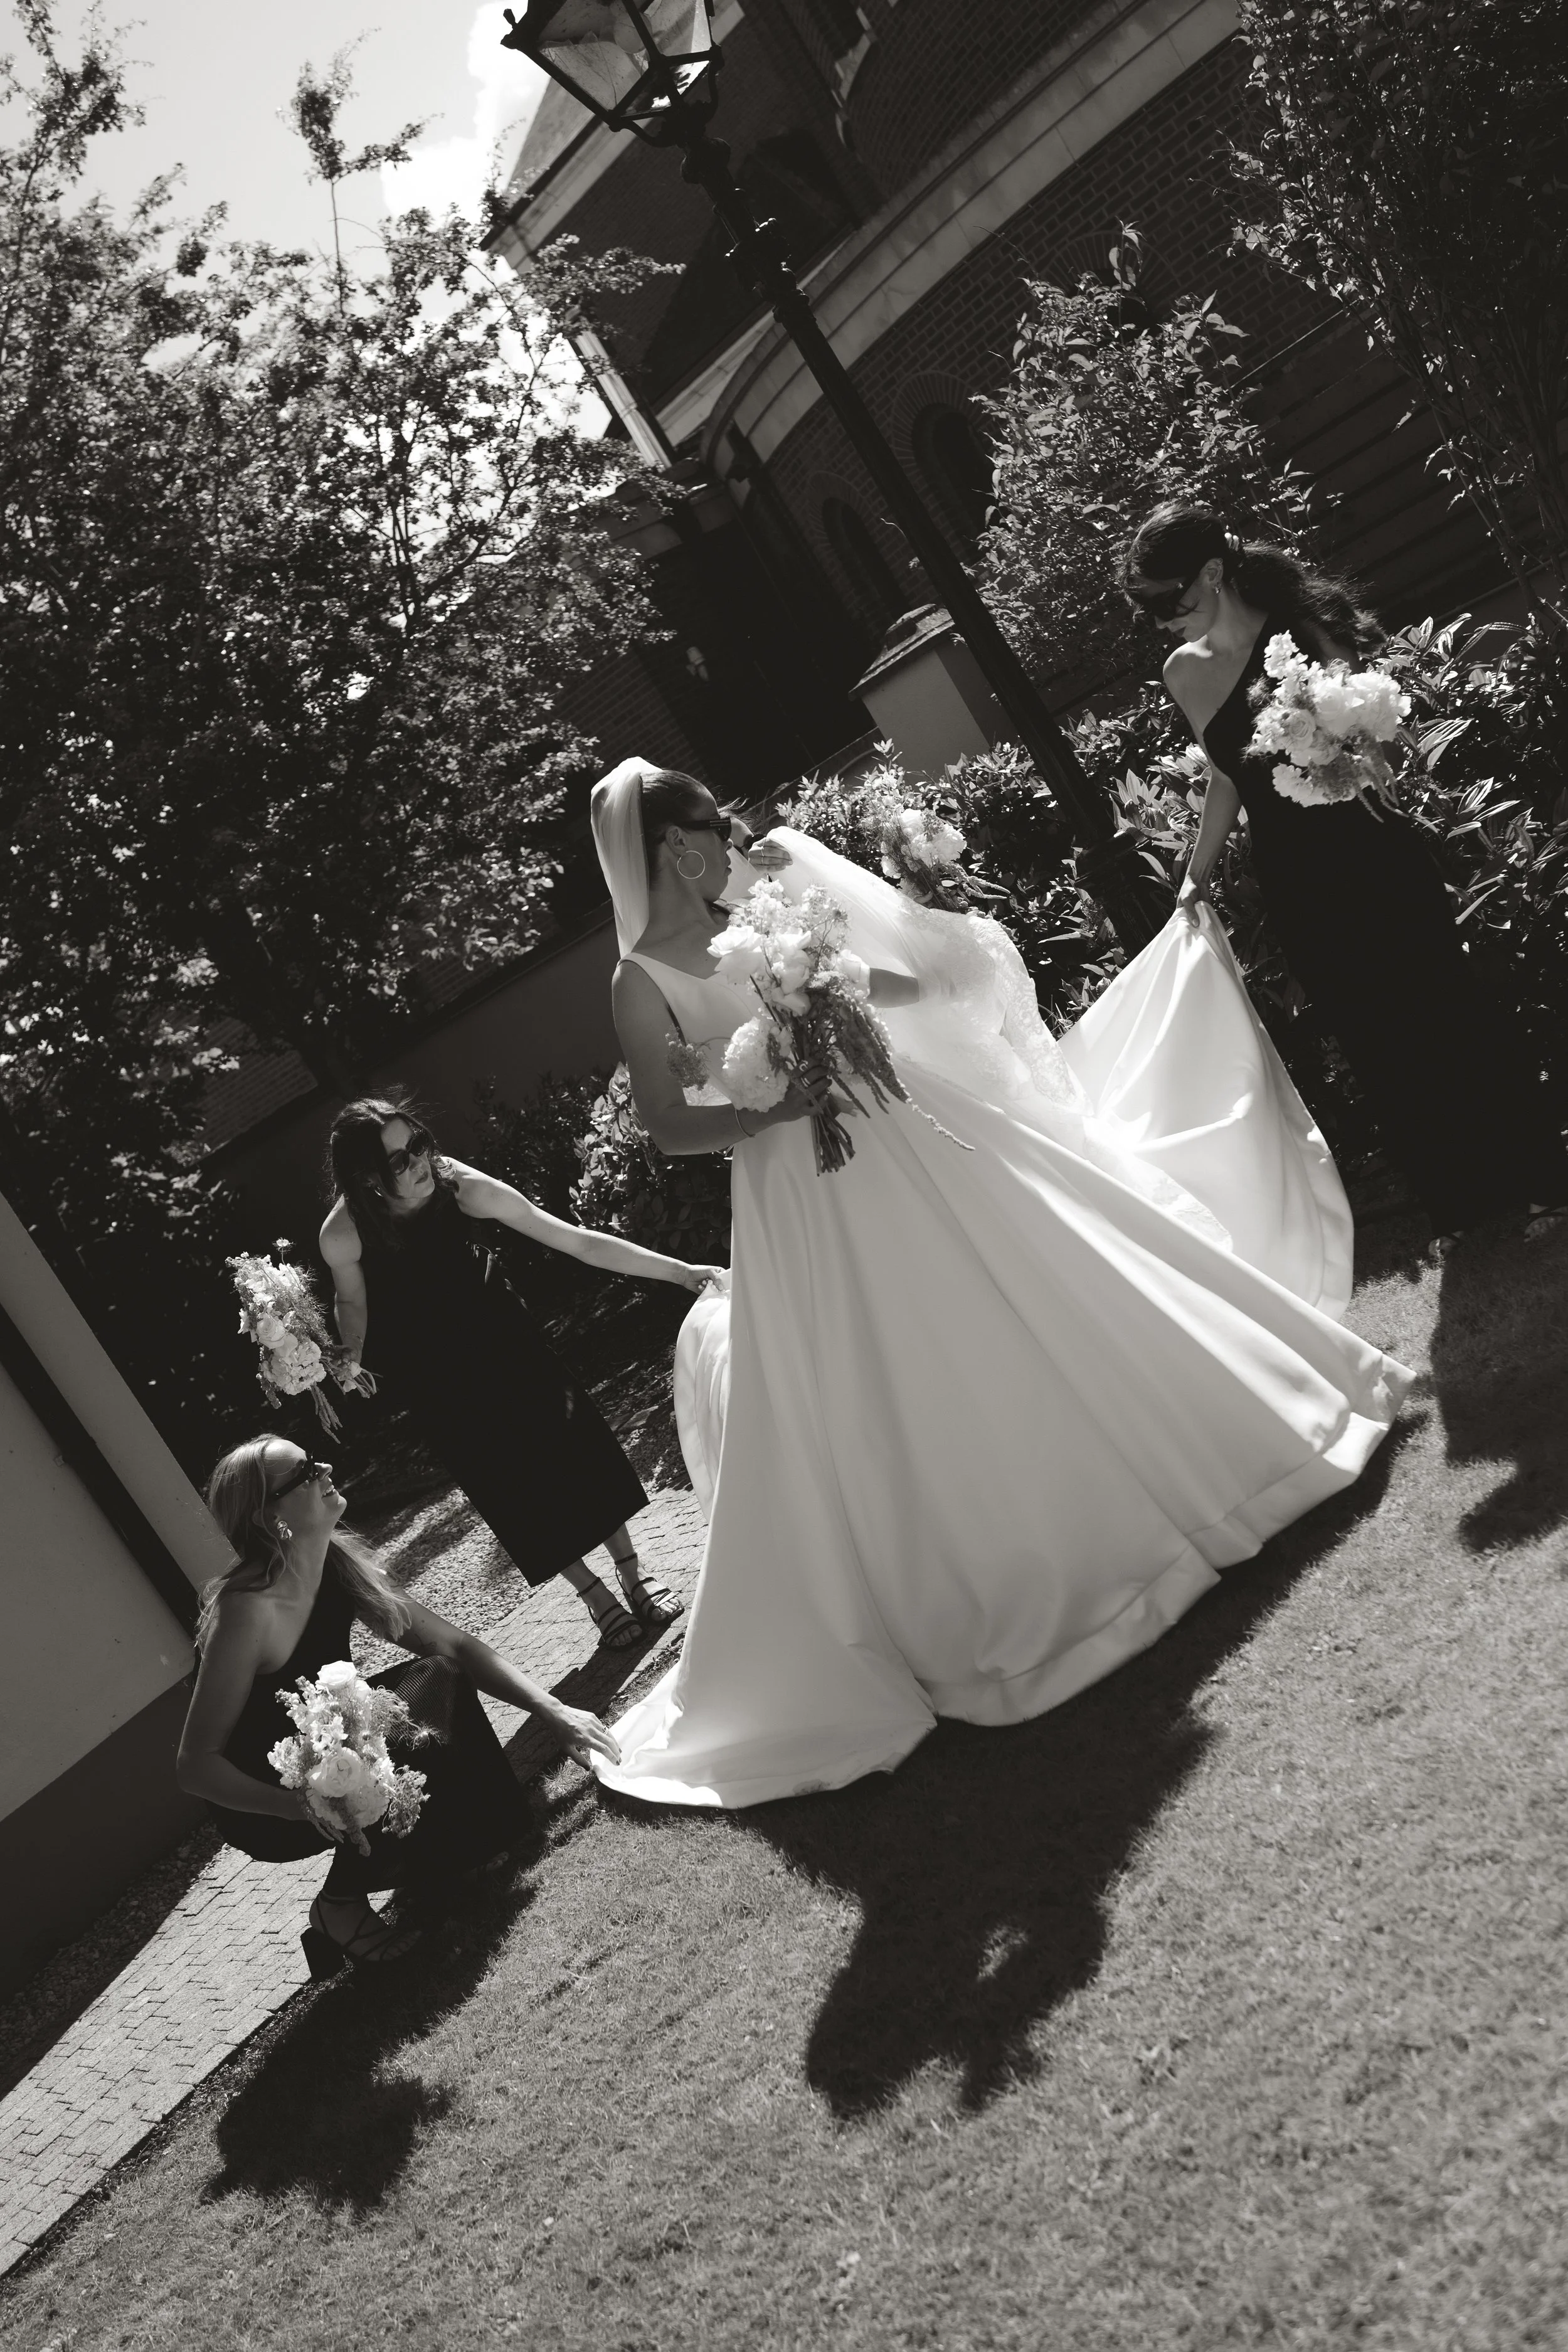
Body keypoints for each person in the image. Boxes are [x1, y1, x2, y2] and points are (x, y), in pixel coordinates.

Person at [577, 757, 1413, 1811]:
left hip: (903, 1118)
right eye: (700, 837)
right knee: (898, 1365)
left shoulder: (770, 902)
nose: (720, 854)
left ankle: (1226, 1453)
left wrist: (840, 985)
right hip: (801, 1183)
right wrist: (764, 1109)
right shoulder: (638, 976)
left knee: (1053, 1264)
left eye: (717, 832)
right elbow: (664, 1120)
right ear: (660, 851)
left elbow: (894, 990)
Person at [1122, 501, 1568, 1253]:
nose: (1162, 620)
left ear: (1211, 573)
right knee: (1373, 1035)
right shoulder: (1183, 674)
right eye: (1150, 608)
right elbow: (1227, 778)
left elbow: (1377, 750)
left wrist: (1344, 757)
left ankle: (1539, 1181)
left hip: (1370, 851)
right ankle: (1455, 1204)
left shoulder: (1302, 632)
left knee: (1446, 1009)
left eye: (1170, 601)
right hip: (1297, 880)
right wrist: (1194, 875)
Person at [176, 1438, 618, 1976]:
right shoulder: (246, 1610)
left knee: (435, 1681)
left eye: (315, 1460)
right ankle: (339, 1903)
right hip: (267, 1799)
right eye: (305, 1473)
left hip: (338, 1749)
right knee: (393, 1737)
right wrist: (298, 1807)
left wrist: (554, 1711)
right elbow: (196, 1764)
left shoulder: (334, 1563)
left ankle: (457, 1849)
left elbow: (450, 1646)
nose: (326, 1470)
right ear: (269, 1516)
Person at [321, 1096, 723, 1650]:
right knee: (510, 1483)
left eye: (417, 1143)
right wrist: (352, 1353)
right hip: (437, 1376)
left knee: (577, 1449)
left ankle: (632, 1572)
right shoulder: (342, 1234)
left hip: (506, 1342)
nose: (419, 1162)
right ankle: (592, 1595)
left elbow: (573, 1240)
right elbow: (352, 1301)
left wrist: (680, 1274)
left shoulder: (459, 1186)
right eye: (399, 1161)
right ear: (366, 1177)